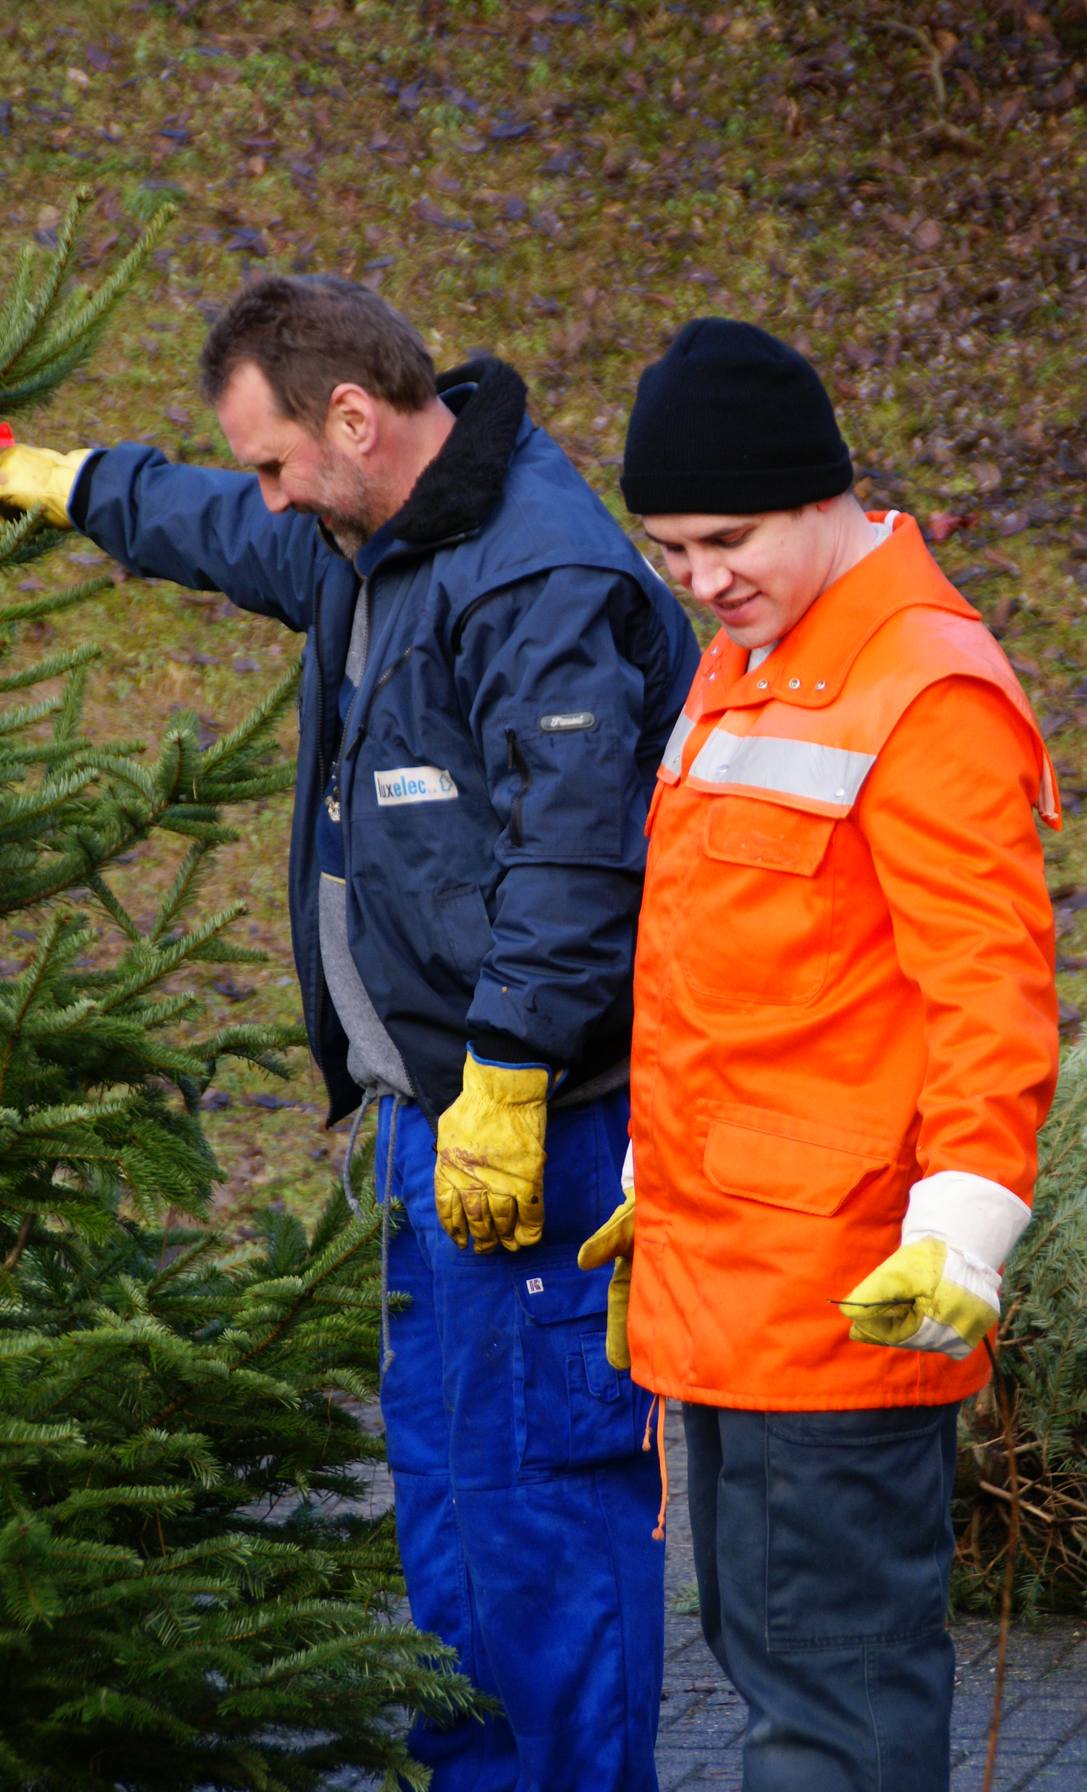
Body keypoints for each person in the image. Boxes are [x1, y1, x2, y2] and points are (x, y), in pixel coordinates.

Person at [0, 275, 700, 1791]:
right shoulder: (370, 540)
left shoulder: (532, 576)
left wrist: (509, 1074)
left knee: (541, 1521)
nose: (267, 493)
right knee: (452, 1513)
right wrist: (66, 482)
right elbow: (219, 525)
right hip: (430, 1132)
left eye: (275, 460)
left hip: (542, 1134)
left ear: (355, 418)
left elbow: (577, 855)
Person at [580, 318, 1060, 1792]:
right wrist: (661, 1180)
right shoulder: (754, 657)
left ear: (823, 493)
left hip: (841, 1299)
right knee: (775, 1658)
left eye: (727, 540)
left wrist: (963, 1231)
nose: (700, 580)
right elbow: (734, 967)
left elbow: (990, 992)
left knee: (830, 1710)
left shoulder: (924, 690)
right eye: (669, 549)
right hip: (731, 1276)